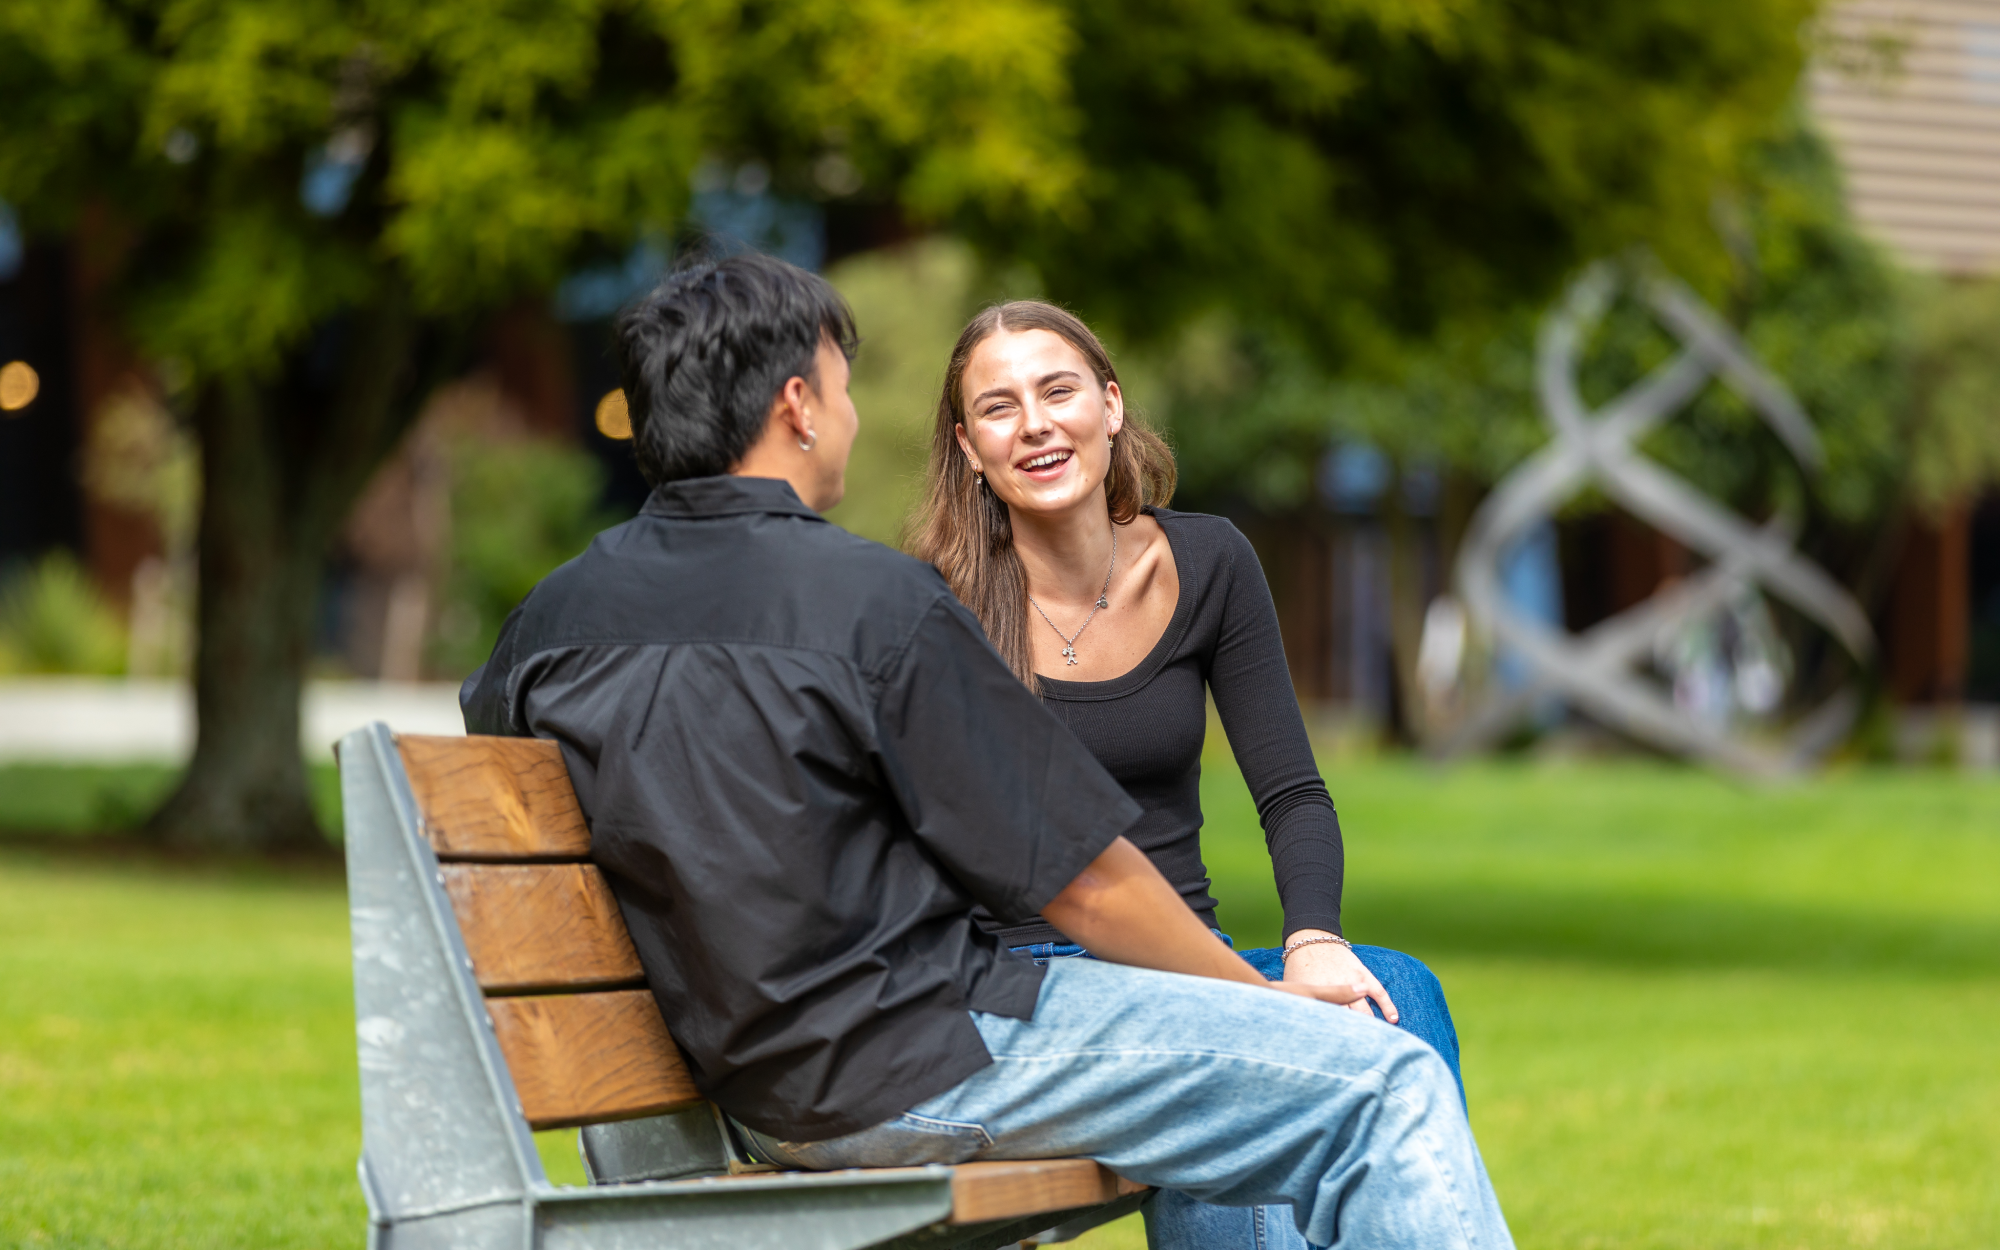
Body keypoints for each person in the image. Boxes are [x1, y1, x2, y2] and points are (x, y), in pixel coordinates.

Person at [462, 254, 1512, 1250]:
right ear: (797, 405)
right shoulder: (870, 601)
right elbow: (1089, 887)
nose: (850, 413)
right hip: (925, 1053)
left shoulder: (547, 619)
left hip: (761, 1085)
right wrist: (1264, 997)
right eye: (841, 384)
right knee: (1381, 1075)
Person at [904, 300, 1466, 1250]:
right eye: (999, 408)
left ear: (1112, 406)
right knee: (1246, 1068)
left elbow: (1290, 792)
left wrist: (1314, 939)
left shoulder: (1209, 561)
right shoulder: (932, 605)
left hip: (1184, 960)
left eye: (1058, 390)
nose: (1035, 423)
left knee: (1396, 993)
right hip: (1033, 995)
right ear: (969, 447)